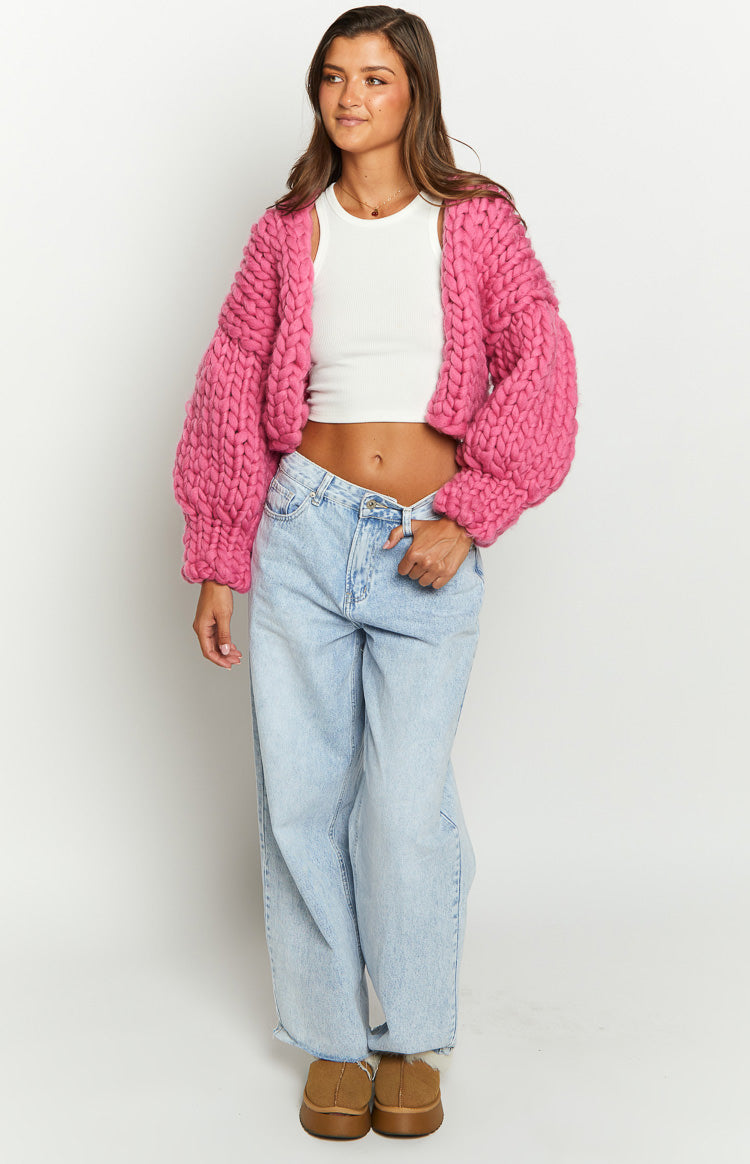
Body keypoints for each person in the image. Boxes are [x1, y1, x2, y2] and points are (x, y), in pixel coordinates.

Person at [172, 3, 577, 1141]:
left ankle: (411, 1032)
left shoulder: (476, 223)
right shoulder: (285, 232)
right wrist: (218, 559)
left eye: (376, 78)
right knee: (302, 799)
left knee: (405, 808)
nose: (351, 97)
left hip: (422, 544)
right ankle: (331, 1041)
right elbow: (230, 381)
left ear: (416, 94)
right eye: (335, 76)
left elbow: (542, 364)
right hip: (299, 530)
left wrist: (473, 514)